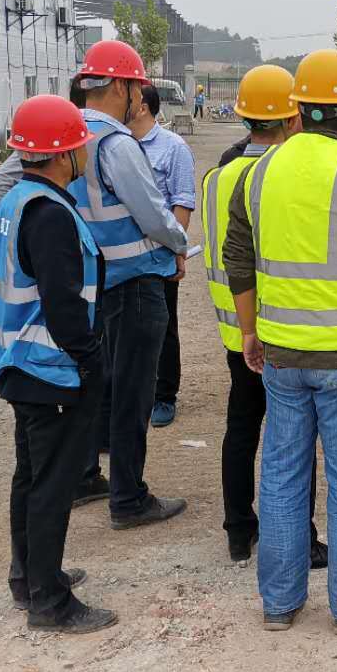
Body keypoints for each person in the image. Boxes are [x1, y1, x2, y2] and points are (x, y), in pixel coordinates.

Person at [221, 49, 337, 635]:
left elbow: (237, 260)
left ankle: (279, 602)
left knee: (281, 474)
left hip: (281, 354)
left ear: (298, 109)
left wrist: (249, 331)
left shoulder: (257, 173)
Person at [0, 40, 190, 528]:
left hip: (82, 288)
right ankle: (129, 498)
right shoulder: (117, 143)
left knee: (91, 382)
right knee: (131, 393)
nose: (139, 97)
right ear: (121, 87)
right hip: (134, 282)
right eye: (137, 86)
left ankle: (83, 478)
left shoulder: (57, 132)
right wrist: (179, 245)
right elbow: (152, 214)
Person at [0, 95, 117, 633]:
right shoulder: (50, 214)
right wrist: (91, 361)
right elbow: (62, 302)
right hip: (48, 367)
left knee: (31, 475)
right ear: (64, 153)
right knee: (52, 485)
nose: (85, 152)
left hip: (19, 361)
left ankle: (29, 577)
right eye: (81, 144)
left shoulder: (17, 200)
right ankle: (50, 602)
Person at [202, 64, 328, 568]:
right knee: (294, 436)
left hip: (234, 330)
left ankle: (238, 529)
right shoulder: (281, 177)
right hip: (278, 330)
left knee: (241, 426)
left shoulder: (216, 178)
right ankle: (302, 537)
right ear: (293, 118)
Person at [129, 84, 197, 428]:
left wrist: (176, 249)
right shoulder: (117, 145)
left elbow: (182, 202)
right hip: (121, 255)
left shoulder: (173, 148)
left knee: (163, 325)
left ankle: (164, 395)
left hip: (158, 254)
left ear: (142, 107)